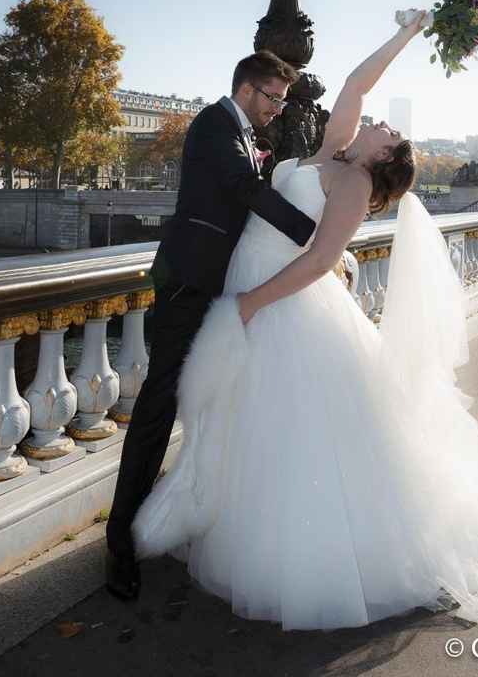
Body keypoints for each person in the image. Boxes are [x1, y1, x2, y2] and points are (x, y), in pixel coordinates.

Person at [132, 12, 478, 631]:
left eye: (389, 131)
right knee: (245, 421)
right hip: (246, 284)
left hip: (280, 302)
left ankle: (299, 554)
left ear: (384, 155)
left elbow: (321, 261)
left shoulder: (350, 181)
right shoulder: (330, 152)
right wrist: (406, 34)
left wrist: (252, 303)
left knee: (287, 429)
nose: (380, 122)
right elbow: (354, 84)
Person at [105, 50, 319, 600]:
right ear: (248, 89)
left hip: (216, 285)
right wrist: (313, 235)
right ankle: (119, 543)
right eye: (274, 98)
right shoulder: (213, 124)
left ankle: (184, 514)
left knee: (218, 402)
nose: (278, 109)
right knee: (158, 408)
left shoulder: (240, 130)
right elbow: (246, 189)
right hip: (187, 284)